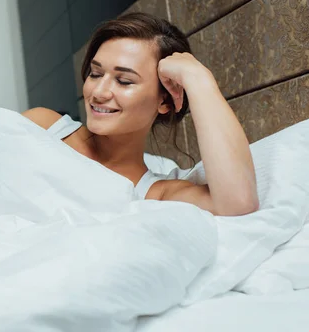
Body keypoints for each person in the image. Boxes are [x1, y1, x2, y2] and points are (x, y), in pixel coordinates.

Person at [22, 12, 259, 216]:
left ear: (164, 101)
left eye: (124, 81)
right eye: (95, 74)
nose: (99, 92)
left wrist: (197, 78)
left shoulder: (156, 195)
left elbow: (237, 202)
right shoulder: (43, 126)